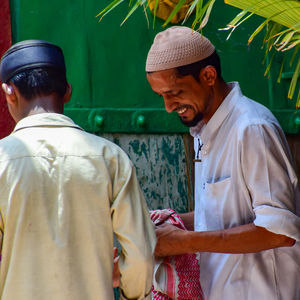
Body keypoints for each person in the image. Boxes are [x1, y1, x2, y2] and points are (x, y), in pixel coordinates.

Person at [145, 26, 300, 300]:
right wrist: (166, 224)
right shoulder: (204, 129)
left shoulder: (251, 128)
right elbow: (224, 217)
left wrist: (183, 243)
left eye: (174, 92)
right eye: (161, 96)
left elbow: (279, 232)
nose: (168, 106)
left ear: (208, 75)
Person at [0, 39, 156, 300]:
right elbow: (140, 254)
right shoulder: (110, 158)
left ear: (9, 92)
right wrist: (132, 292)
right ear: (68, 92)